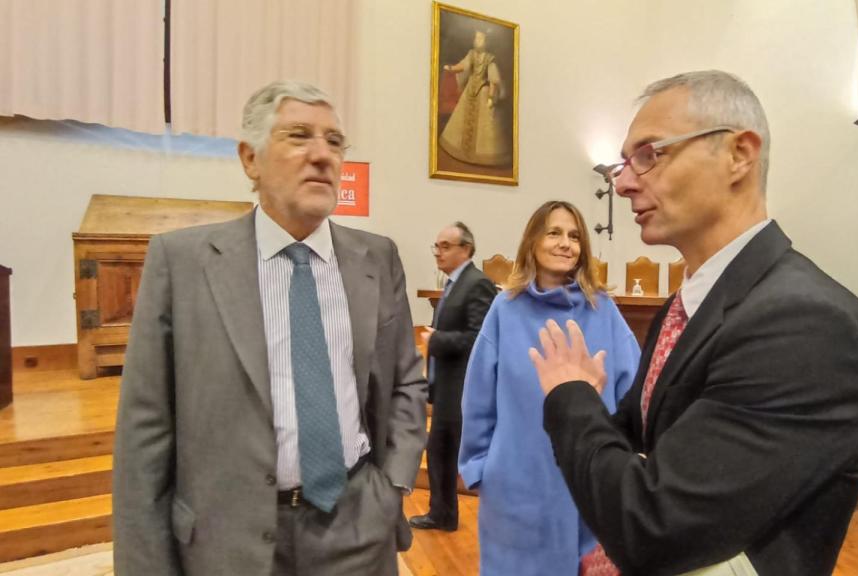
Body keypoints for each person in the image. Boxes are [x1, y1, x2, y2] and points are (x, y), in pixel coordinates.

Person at [530, 71, 858, 576]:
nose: (625, 182)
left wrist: (569, 394)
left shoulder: (806, 323)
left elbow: (651, 527)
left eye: (649, 154)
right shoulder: (690, 303)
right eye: (624, 164)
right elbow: (645, 439)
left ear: (739, 154)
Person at [112, 80, 427, 576]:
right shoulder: (183, 263)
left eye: (335, 141)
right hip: (229, 539)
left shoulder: (377, 258)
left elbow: (407, 379)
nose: (322, 155)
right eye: (299, 136)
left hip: (357, 529)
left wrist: (394, 485)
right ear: (250, 159)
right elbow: (144, 431)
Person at [459, 200, 641, 575]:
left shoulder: (602, 309)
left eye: (574, 236)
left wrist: (624, 469)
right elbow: (479, 394)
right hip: (516, 484)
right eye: (554, 232)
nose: (565, 243)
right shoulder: (504, 309)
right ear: (532, 242)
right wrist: (479, 467)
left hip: (589, 486)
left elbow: (632, 392)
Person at [409, 222, 498, 532]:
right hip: (446, 388)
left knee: (453, 455)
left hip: (463, 390)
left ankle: (483, 519)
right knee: (438, 453)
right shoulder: (451, 284)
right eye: (437, 246)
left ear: (466, 250)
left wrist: (438, 341)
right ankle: (441, 513)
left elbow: (479, 338)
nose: (438, 253)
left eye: (445, 246)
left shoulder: (477, 283)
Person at [439, 30, 511, 167]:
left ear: (487, 42)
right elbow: (463, 65)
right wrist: (452, 68)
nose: (478, 40)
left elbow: (493, 80)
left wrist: (490, 97)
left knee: (486, 127)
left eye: (481, 38)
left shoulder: (490, 59)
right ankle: (461, 151)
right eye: (476, 38)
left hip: (483, 92)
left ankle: (483, 156)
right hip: (470, 91)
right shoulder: (471, 54)